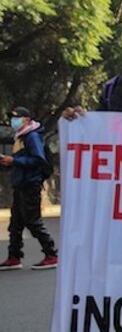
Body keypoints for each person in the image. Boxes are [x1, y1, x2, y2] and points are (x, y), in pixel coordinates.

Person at [0, 107, 58, 271]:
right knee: (16, 224)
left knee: (33, 221)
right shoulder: (20, 137)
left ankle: (51, 254)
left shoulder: (32, 136)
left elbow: (38, 160)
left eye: (16, 118)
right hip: (20, 184)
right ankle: (14, 256)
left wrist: (15, 161)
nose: (13, 121)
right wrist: (10, 162)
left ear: (26, 119)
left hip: (30, 184)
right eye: (11, 117)